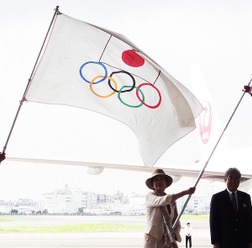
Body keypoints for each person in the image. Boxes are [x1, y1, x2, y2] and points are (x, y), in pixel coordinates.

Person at [144, 168, 196, 248]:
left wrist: (174, 234)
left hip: (167, 240)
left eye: (162, 179)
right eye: (156, 180)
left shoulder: (172, 201)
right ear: (153, 185)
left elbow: (176, 220)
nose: (159, 182)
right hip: (153, 239)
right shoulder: (150, 196)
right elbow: (162, 200)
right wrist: (185, 192)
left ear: (166, 183)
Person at [209, 167, 252, 248]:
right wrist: (215, 242)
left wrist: (250, 241)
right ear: (225, 180)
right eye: (230, 178)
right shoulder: (217, 198)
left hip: (243, 242)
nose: (233, 181)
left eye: (236, 178)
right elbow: (213, 221)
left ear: (239, 181)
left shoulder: (246, 197)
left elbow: (249, 220)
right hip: (225, 242)